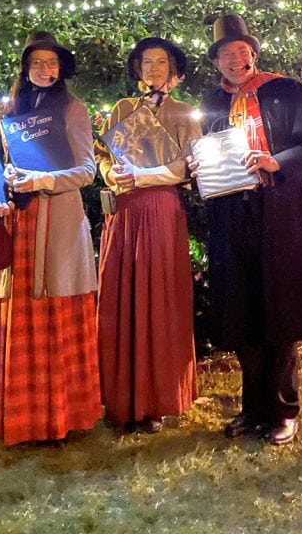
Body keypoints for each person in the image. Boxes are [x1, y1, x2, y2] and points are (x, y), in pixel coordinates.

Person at [195, 13, 302, 446]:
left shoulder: (287, 90)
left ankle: (284, 410)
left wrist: (278, 161)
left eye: (242, 52)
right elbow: (209, 153)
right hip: (233, 217)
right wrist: (199, 167)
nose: (236, 60)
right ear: (217, 62)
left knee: (280, 313)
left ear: (253, 54)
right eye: (226, 54)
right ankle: (252, 409)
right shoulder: (213, 103)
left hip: (281, 214)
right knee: (242, 311)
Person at [0, 31, 101, 445]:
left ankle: (59, 418)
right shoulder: (9, 111)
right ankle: (22, 417)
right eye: (37, 63)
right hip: (18, 224)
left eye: (51, 64)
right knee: (18, 313)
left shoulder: (73, 110)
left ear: (60, 69)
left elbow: (88, 170)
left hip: (57, 224)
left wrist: (43, 180)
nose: (45, 70)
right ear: (25, 67)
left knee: (55, 311)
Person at [94, 37, 200, 432]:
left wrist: (140, 175)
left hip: (160, 209)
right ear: (137, 68)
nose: (154, 69)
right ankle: (119, 398)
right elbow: (102, 155)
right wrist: (111, 174)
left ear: (173, 69)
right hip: (123, 211)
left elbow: (189, 169)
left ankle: (155, 400)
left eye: (162, 62)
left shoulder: (187, 114)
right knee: (121, 296)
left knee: (157, 297)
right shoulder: (123, 109)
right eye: (147, 62)